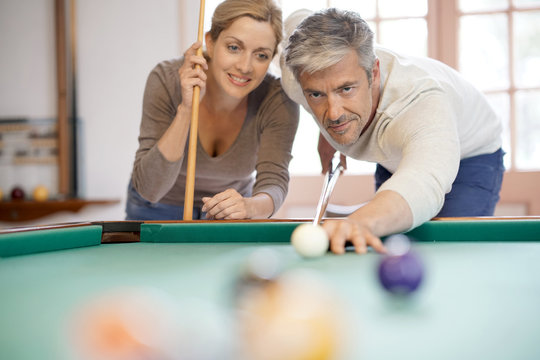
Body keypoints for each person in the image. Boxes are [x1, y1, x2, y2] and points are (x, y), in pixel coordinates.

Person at [282, 8, 504, 254]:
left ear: (373, 73)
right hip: (397, 153)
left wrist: (358, 222)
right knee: (389, 250)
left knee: (450, 254)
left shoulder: (419, 103)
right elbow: (296, 17)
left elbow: (422, 181)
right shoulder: (295, 73)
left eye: (346, 89)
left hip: (471, 155)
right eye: (316, 95)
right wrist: (326, 133)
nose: (333, 113)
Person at [126, 0, 299, 220]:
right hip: (156, 207)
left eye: (261, 55)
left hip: (230, 210)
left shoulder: (277, 99)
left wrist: (249, 207)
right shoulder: (166, 80)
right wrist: (186, 109)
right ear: (210, 41)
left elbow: (273, 181)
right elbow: (150, 189)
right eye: (234, 47)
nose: (245, 67)